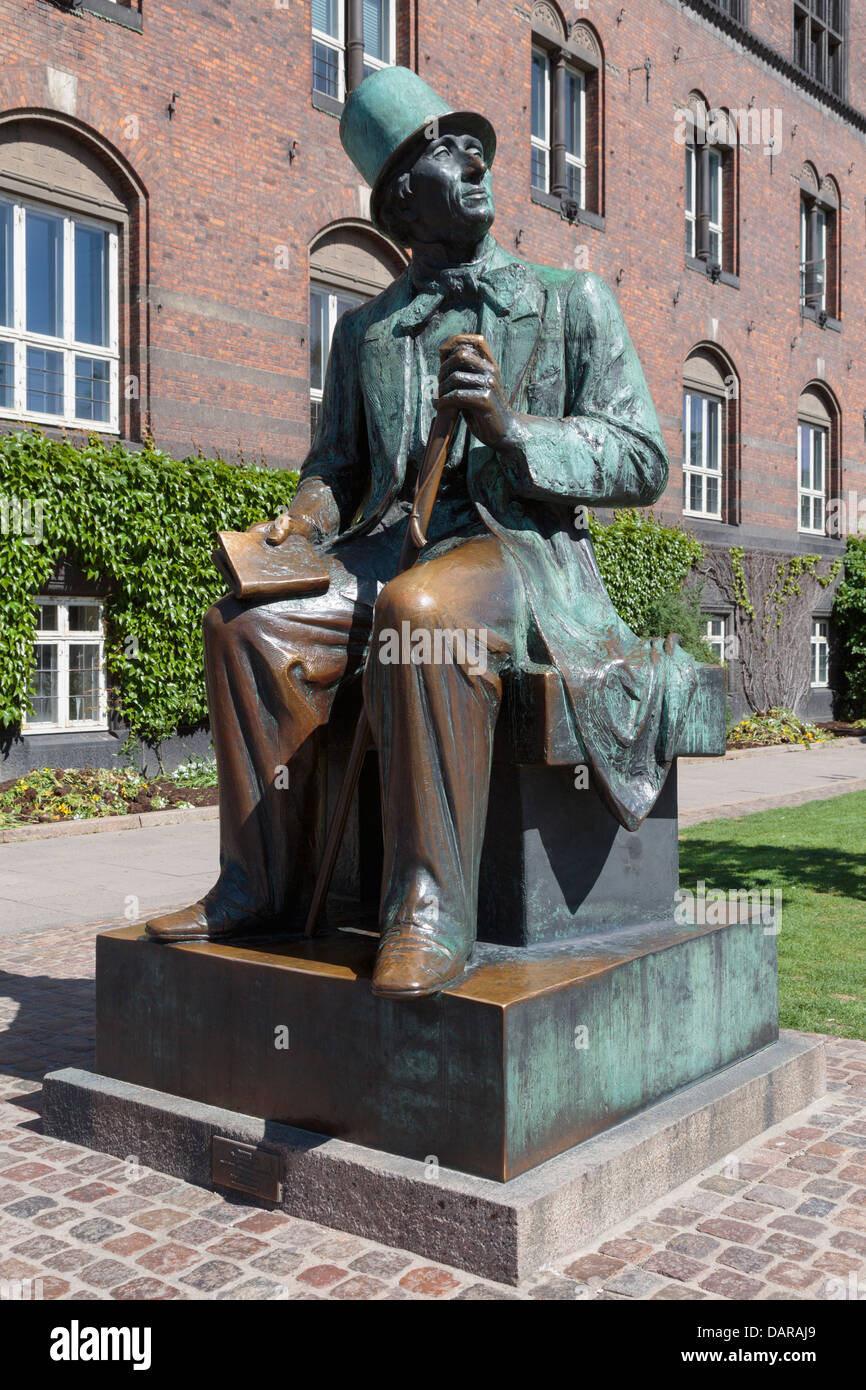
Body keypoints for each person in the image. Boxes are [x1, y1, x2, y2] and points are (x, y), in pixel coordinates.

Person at [146, 67, 697, 998]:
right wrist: (304, 520)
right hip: (381, 548)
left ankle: (430, 911)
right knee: (246, 628)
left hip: (517, 552)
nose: (479, 158)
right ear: (404, 196)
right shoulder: (367, 330)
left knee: (423, 609)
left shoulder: (570, 302)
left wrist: (514, 432)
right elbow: (338, 468)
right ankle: (257, 886)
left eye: (476, 145)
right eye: (450, 150)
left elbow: (642, 458)